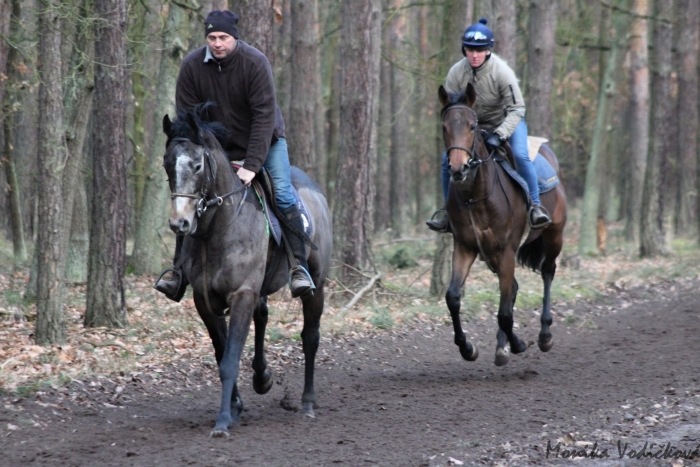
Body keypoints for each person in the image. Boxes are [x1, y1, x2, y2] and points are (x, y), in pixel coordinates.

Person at [155, 9, 314, 300]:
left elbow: (264, 117)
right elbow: (188, 121)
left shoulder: (255, 63)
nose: (217, 43)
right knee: (190, 196)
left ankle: (298, 267)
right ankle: (178, 271)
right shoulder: (191, 67)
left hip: (265, 141)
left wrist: (252, 165)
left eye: (223, 37)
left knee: (282, 193)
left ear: (234, 38)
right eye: (212, 37)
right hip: (215, 148)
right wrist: (208, 157)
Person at [426, 18, 551, 233]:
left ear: (488, 51)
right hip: (473, 126)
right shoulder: (456, 73)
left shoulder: (502, 72)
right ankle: (448, 212)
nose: (474, 55)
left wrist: (501, 134)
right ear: (464, 49)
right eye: (470, 49)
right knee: (446, 159)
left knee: (520, 155)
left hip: (507, 122)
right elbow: (452, 110)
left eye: (480, 50)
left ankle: (535, 206)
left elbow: (517, 108)